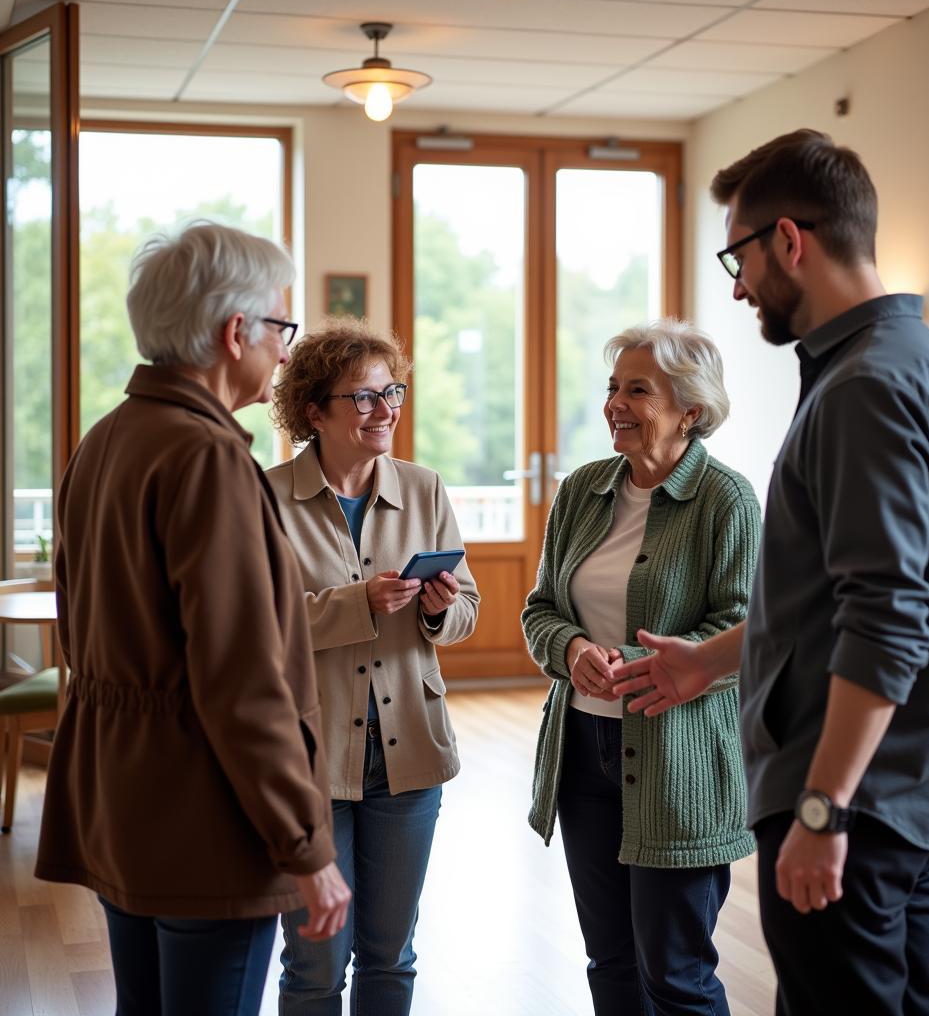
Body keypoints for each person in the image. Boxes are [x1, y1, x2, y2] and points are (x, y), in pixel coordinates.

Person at [611, 130, 929, 1016]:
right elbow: (837, 596)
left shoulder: (865, 386)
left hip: (854, 803)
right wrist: (708, 661)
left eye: (738, 256)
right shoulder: (925, 363)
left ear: (789, 240)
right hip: (908, 794)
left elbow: (888, 620)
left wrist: (822, 808)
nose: (737, 286)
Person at [33, 222, 351, 1016]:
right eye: (281, 327)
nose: (284, 351)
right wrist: (306, 846)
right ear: (234, 331)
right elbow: (244, 682)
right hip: (209, 820)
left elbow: (81, 633)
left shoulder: (104, 440)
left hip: (124, 801)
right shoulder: (207, 457)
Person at [523, 319, 761, 1016]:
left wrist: (626, 661)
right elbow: (540, 607)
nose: (614, 405)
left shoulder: (728, 500)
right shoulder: (581, 490)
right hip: (581, 758)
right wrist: (569, 650)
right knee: (612, 963)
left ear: (691, 410)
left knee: (676, 973)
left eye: (637, 389)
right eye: (611, 388)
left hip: (678, 763)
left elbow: (745, 631)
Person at [267, 316, 479, 1015]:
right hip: (309, 763)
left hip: (409, 754)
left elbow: (468, 611)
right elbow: (252, 627)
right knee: (315, 963)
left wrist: (437, 610)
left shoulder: (425, 488)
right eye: (363, 397)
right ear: (312, 411)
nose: (385, 410)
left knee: (391, 957)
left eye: (393, 392)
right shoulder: (262, 496)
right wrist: (356, 603)